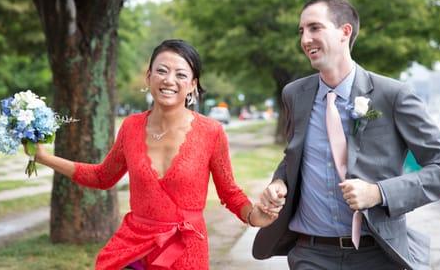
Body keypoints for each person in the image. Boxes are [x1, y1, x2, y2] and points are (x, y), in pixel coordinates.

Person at [252, 0, 440, 270]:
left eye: (315, 28)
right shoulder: (295, 94)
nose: (306, 39)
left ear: (345, 32)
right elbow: (294, 154)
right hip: (310, 253)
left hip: (376, 253)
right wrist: (279, 181)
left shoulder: (393, 95)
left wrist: (379, 193)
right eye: (301, 31)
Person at [33, 39, 277, 270]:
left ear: (193, 84)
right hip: (134, 248)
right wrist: (44, 157)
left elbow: (229, 192)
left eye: (181, 74)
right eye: (162, 71)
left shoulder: (211, 132)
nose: (169, 80)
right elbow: (102, 177)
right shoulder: (130, 127)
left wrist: (254, 217)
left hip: (186, 250)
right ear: (149, 77)